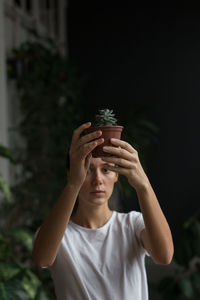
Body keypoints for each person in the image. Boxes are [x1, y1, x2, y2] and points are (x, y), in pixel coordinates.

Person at [32, 122, 174, 300]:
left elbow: (164, 256)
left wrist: (143, 185)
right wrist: (74, 183)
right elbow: (42, 259)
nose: (98, 180)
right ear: (72, 173)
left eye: (106, 169)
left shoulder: (132, 225)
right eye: (88, 170)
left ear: (116, 175)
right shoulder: (60, 234)